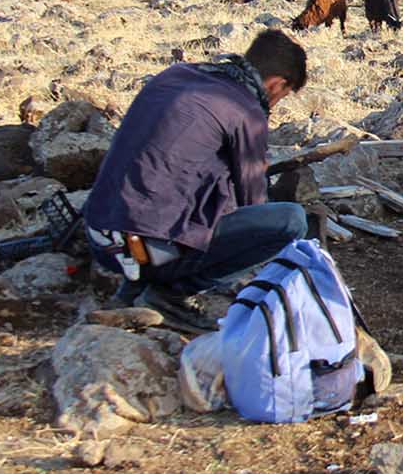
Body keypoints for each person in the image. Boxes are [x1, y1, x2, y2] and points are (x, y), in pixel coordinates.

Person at [84, 29, 309, 331]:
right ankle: (167, 295)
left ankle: (135, 288)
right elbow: (253, 202)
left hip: (100, 236)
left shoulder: (176, 74)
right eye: (283, 95)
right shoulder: (247, 110)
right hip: (140, 251)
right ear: (276, 84)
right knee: (290, 221)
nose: (278, 102)